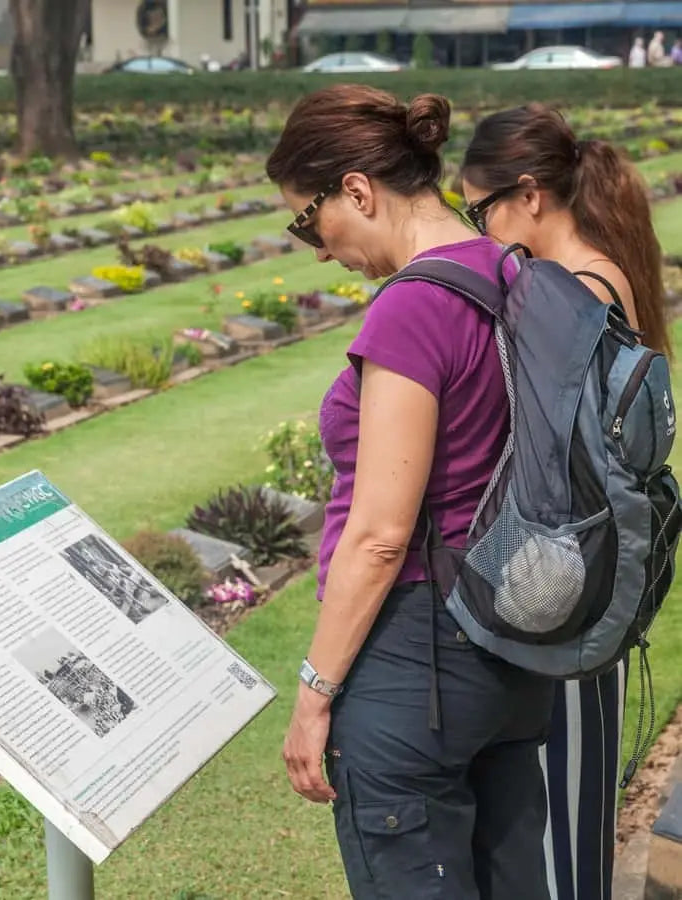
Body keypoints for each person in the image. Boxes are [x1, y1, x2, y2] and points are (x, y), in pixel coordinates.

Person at [266, 83, 555, 900]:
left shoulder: (414, 308)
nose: (317, 250)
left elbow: (381, 534)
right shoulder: (512, 270)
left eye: (308, 221)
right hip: (511, 642)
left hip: (417, 660)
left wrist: (314, 693)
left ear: (357, 190)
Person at [461, 103, 670, 900]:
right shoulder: (606, 273)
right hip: (593, 572)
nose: (482, 232)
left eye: (481, 211)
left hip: (557, 581)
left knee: (554, 830)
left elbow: (542, 465)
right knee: (575, 821)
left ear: (528, 194)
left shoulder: (562, 294)